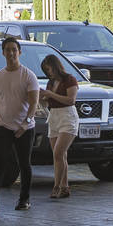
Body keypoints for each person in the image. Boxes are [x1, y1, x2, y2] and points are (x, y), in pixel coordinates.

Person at [0, 37, 39, 213]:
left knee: (24, 164)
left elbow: (34, 103)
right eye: (8, 50)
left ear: (19, 52)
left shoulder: (28, 75)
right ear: (3, 53)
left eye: (14, 49)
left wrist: (26, 122)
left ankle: (24, 199)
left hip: (25, 128)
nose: (11, 53)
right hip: (3, 125)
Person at [39, 54, 79, 199]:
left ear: (56, 66)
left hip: (67, 116)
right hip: (54, 116)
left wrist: (51, 94)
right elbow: (47, 103)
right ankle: (64, 186)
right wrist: (41, 98)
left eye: (49, 69)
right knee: (60, 155)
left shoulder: (70, 79)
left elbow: (70, 100)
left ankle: (56, 186)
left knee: (58, 152)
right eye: (46, 70)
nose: (49, 72)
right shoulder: (50, 83)